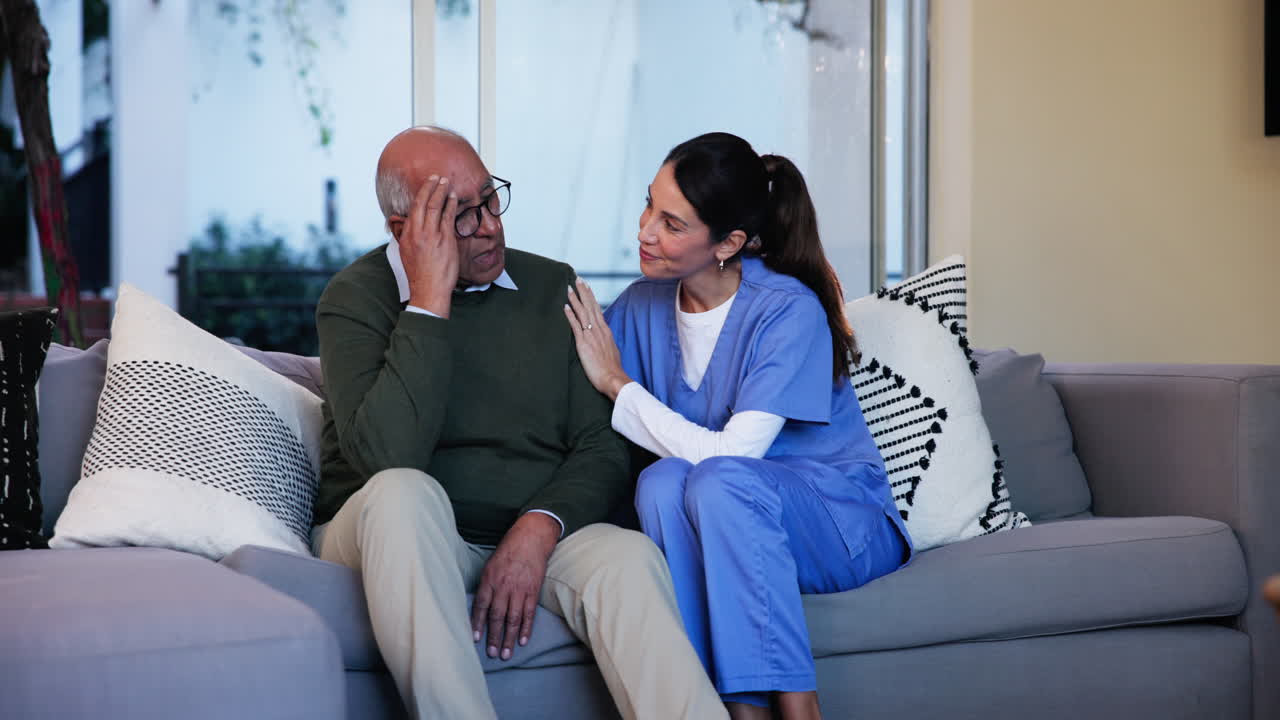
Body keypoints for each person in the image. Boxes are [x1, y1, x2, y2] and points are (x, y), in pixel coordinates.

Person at [312, 126, 728, 720]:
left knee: (626, 556)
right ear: (405, 231)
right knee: (403, 494)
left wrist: (539, 525)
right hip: (396, 531)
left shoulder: (551, 285)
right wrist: (429, 301)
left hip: (529, 533)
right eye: (460, 215)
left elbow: (602, 445)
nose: (488, 225)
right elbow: (387, 458)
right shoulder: (355, 299)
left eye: (490, 199)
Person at [565, 132, 913, 720]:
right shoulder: (642, 304)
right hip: (725, 522)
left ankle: (801, 709)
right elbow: (562, 375)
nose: (646, 231)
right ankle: (732, 711)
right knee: (661, 482)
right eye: (649, 205)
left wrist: (618, 384)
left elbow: (734, 456)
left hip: (838, 525)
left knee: (720, 480)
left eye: (673, 224)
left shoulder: (788, 309)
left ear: (728, 243)